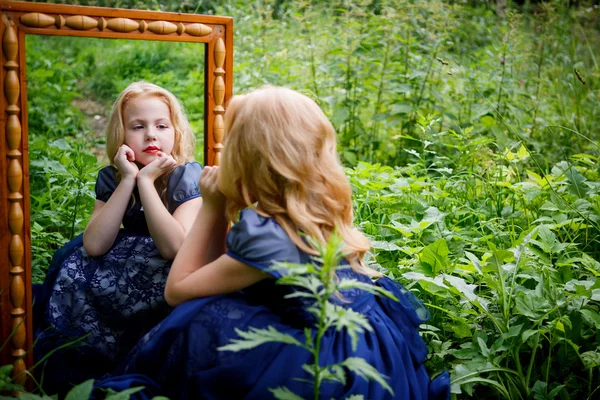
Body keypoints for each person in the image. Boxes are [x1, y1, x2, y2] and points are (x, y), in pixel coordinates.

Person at [98, 86, 450, 399]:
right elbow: (220, 269)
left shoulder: (268, 233)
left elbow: (177, 291)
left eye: (231, 142)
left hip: (328, 358)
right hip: (369, 341)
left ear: (248, 156)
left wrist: (213, 208)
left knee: (197, 316)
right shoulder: (312, 207)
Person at [33, 81, 203, 393]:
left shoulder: (185, 175)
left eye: (161, 125)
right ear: (121, 136)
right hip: (122, 270)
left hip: (165, 273)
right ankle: (84, 360)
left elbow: (173, 247)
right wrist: (128, 179)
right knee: (75, 265)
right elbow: (95, 244)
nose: (151, 134)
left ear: (176, 132)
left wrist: (148, 183)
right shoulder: (113, 177)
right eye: (138, 126)